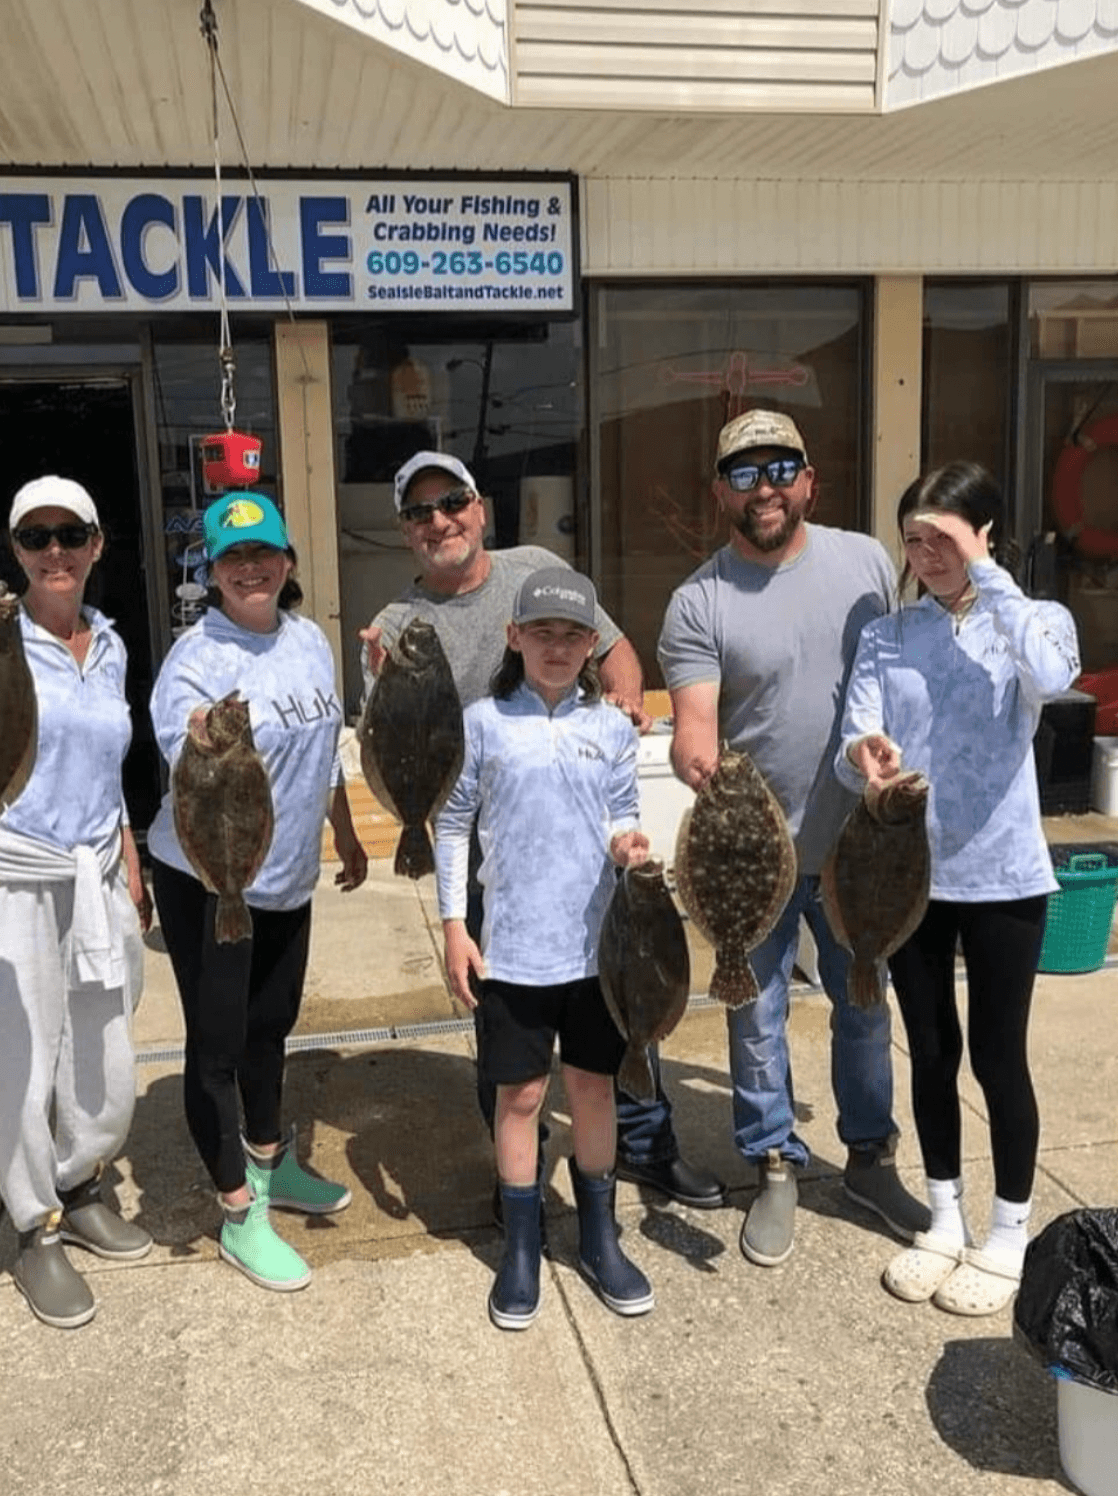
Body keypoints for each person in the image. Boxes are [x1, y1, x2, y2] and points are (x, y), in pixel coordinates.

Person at [360, 450, 724, 1213]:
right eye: (420, 512)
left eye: (451, 501)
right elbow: (396, 740)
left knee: (622, 1002)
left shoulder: (534, 568)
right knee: (509, 1055)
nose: (439, 520)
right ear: (404, 532)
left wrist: (621, 703)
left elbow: (615, 644)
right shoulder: (394, 624)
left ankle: (648, 1145)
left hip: (582, 847)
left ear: (479, 508)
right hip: (498, 855)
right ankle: (514, 1179)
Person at [658, 408, 931, 1269]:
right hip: (754, 861)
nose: (764, 488)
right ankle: (774, 1160)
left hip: (860, 846)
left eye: (781, 469)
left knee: (862, 1011)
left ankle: (870, 1160)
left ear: (811, 481)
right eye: (743, 474)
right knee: (755, 1013)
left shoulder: (867, 565)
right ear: (718, 494)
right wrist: (700, 765)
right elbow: (693, 728)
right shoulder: (698, 599)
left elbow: (902, 675)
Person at [0, 475, 153, 1330]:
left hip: (91, 873)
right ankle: (34, 1224)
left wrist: (127, 856)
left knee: (104, 1047)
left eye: (70, 534)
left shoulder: (114, 645)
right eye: (36, 537)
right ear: (14, 551)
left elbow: (109, 770)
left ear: (95, 546)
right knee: (15, 1058)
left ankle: (81, 1180)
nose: (55, 551)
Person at [836, 461, 1078, 1316]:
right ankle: (943, 1216)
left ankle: (1008, 1230)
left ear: (984, 533)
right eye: (914, 538)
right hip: (910, 875)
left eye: (944, 536)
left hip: (1006, 875)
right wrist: (867, 764)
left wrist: (990, 578)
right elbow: (854, 738)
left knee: (998, 1055)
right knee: (931, 1053)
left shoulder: (1033, 619)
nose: (926, 553)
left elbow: (1051, 681)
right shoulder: (888, 635)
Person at [148, 491, 368, 1294]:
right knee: (217, 1047)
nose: (251, 568)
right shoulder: (193, 658)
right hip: (211, 879)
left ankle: (272, 1167)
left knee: (272, 1028)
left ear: (288, 563)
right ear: (211, 571)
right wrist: (204, 727)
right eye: (233, 558)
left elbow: (325, 744)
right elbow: (180, 739)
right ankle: (241, 1215)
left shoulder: (309, 640)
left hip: (286, 877)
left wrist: (343, 829)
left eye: (264, 554)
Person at [437, 567, 655, 1328]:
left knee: (593, 1089)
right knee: (522, 1096)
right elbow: (451, 824)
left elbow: (621, 811)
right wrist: (454, 925)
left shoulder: (609, 727)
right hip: (513, 951)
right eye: (542, 634)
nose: (557, 648)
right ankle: (522, 1246)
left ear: (594, 645)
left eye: (572, 636)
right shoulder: (483, 722)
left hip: (598, 950)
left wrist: (628, 843)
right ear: (514, 637)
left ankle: (600, 1234)